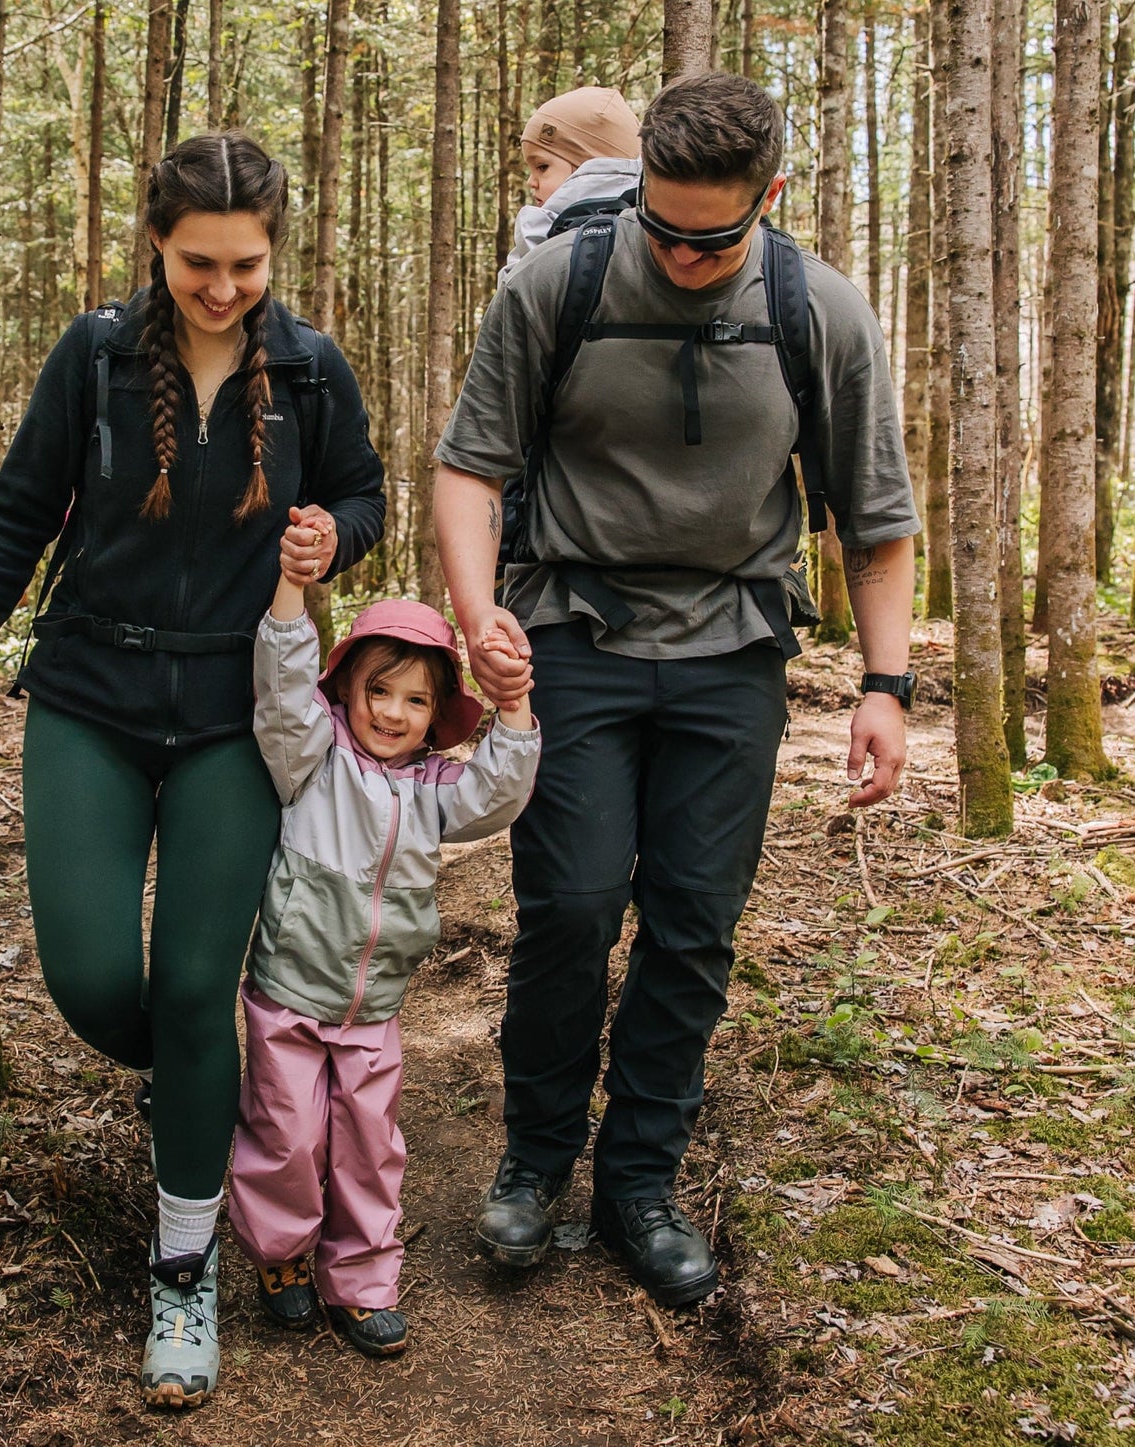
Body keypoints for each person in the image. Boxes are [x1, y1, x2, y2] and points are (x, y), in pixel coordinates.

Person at [433, 72, 919, 1309]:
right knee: (575, 904)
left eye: (713, 236)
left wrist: (884, 685)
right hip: (574, 636)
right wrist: (479, 609)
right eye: (661, 226)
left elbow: (872, 523)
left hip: (733, 651)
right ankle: (534, 1165)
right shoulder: (558, 283)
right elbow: (469, 468)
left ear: (770, 198)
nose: (684, 255)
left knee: (693, 922)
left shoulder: (819, 311)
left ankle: (636, 1185)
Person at [0, 133, 385, 1407]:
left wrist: (331, 532)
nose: (221, 288)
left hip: (241, 707)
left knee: (192, 986)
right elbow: (18, 510)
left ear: (273, 252)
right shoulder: (95, 357)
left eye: (243, 265)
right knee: (90, 981)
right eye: (196, 264)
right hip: (91, 697)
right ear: (156, 246)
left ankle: (183, 1272)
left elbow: (366, 493)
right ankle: (206, 1078)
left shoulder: (310, 366)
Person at [225, 520, 540, 1355]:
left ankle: (362, 1280)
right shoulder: (313, 756)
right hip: (288, 993)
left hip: (375, 1008)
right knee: (286, 1133)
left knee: (369, 1147)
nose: (393, 713)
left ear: (438, 714)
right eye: (378, 690)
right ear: (348, 691)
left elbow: (498, 795)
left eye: (416, 699)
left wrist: (514, 702)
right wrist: (293, 586)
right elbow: (284, 684)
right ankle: (281, 1256)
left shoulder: (437, 788)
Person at [499, 85, 643, 285]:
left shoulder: (551, 245)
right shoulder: (647, 229)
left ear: (590, 169)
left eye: (542, 167)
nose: (530, 182)